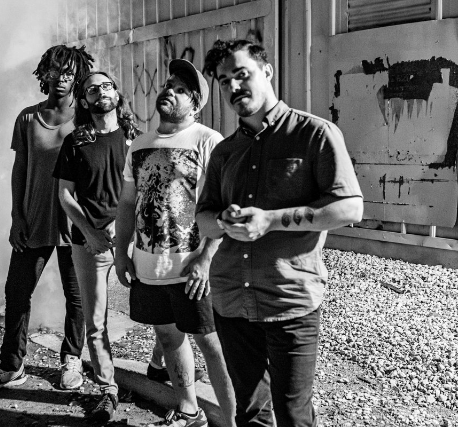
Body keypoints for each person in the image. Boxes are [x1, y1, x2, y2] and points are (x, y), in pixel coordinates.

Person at [197, 39, 364, 426]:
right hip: (232, 302)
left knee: (293, 415)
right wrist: (225, 221)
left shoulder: (315, 134)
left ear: (267, 72)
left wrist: (270, 220)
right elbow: (203, 219)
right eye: (224, 81)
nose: (233, 86)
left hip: (289, 300)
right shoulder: (224, 152)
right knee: (251, 412)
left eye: (242, 74)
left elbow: (350, 208)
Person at [114, 59, 236, 427]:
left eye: (181, 90)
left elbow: (223, 207)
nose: (169, 91)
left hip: (192, 268)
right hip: (149, 266)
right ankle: (188, 410)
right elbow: (127, 204)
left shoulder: (208, 140)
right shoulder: (139, 144)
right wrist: (122, 252)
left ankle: (234, 421)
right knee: (169, 339)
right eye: (169, 85)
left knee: (212, 345)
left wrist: (206, 259)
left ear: (195, 104)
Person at [0, 45, 94, 392]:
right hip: (34, 219)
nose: (61, 78)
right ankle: (11, 365)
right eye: (54, 70)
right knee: (17, 291)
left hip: (76, 223)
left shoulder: (88, 118)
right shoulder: (28, 118)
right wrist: (17, 216)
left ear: (78, 76)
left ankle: (71, 359)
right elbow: (20, 169)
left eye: (68, 72)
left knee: (77, 297)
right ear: (44, 74)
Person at [54, 71, 140, 422]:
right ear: (84, 100)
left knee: (159, 309)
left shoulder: (136, 139)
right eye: (92, 89)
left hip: (132, 242)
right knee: (96, 321)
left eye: (106, 86)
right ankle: (108, 390)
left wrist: (124, 225)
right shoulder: (76, 141)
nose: (100, 92)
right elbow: (65, 195)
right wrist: (89, 232)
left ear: (117, 94)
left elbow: (144, 190)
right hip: (89, 245)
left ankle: (160, 365)